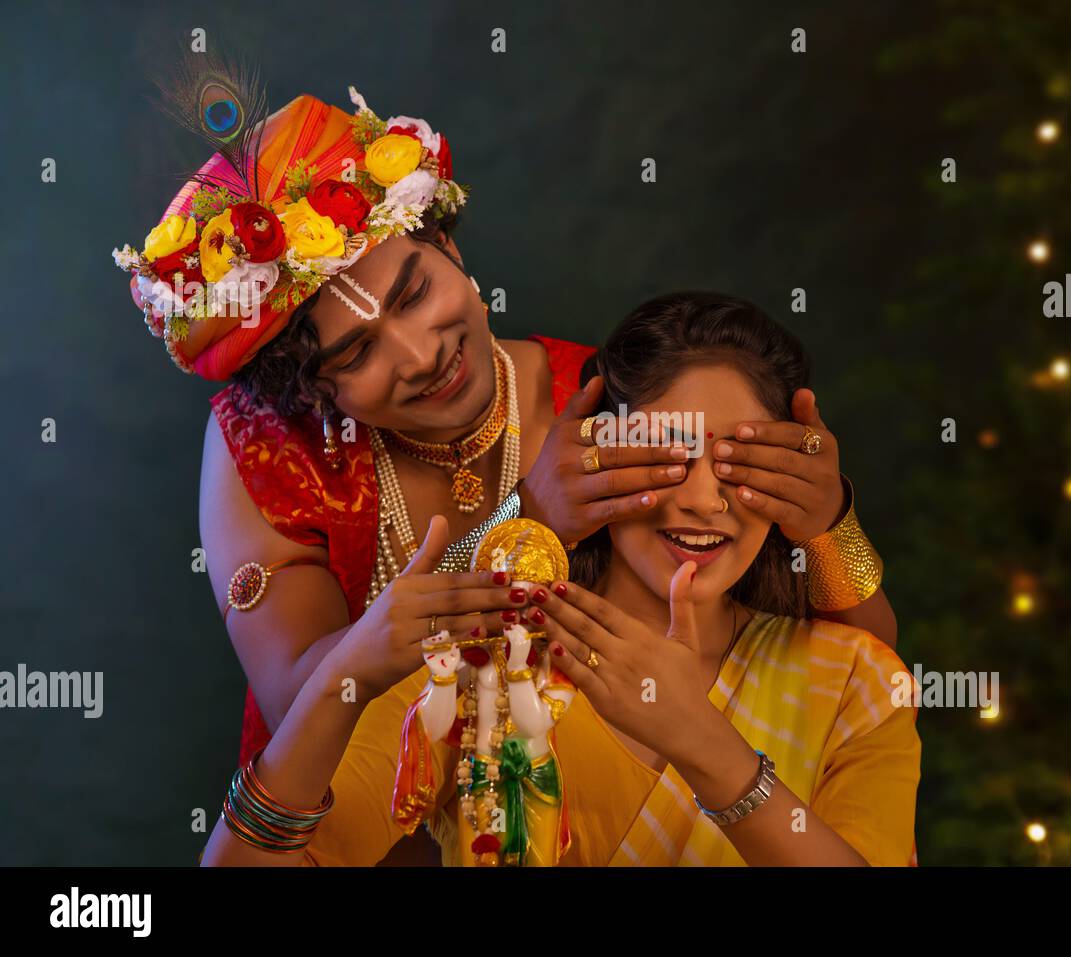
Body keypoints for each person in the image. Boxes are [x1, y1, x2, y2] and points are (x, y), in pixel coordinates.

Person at [199, 292, 920, 867]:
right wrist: (343, 670)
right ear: (594, 452)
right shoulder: (482, 662)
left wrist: (714, 754)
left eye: (742, 463)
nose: (704, 498)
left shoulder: (856, 680)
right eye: (664, 455)